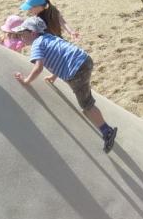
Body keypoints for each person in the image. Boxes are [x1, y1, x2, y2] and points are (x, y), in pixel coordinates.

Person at [13, 17, 118, 152]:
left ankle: (107, 131)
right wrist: (54, 76)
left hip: (76, 71)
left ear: (33, 33)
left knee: (87, 106)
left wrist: (26, 81)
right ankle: (98, 119)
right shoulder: (48, 38)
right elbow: (61, 55)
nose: (21, 37)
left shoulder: (36, 44)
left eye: (23, 33)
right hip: (84, 60)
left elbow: (38, 67)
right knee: (84, 96)